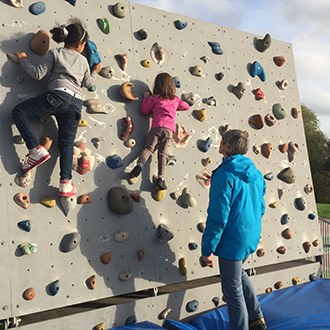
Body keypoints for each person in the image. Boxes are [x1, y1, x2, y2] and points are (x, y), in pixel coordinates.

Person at [12, 18, 101, 196]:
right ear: (80, 44)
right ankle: (66, 183)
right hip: (76, 103)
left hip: (58, 96)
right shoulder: (84, 62)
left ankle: (35, 150)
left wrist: (23, 60)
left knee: (19, 112)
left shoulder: (56, 53)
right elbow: (89, 83)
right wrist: (96, 71)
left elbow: (38, 74)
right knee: (66, 144)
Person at [201, 129, 267, 330]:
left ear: (227, 147)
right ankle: (256, 318)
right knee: (238, 275)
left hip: (233, 239)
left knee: (232, 289)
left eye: (222, 142)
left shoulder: (224, 175)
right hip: (250, 235)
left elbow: (218, 216)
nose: (219, 144)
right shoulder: (256, 174)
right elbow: (261, 206)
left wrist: (206, 250)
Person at [129, 72, 190, 190]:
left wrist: (146, 97)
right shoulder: (175, 100)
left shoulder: (155, 98)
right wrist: (178, 103)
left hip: (156, 128)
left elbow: (144, 110)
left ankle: (139, 165)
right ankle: (161, 178)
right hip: (168, 131)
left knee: (148, 149)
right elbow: (187, 106)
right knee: (162, 154)